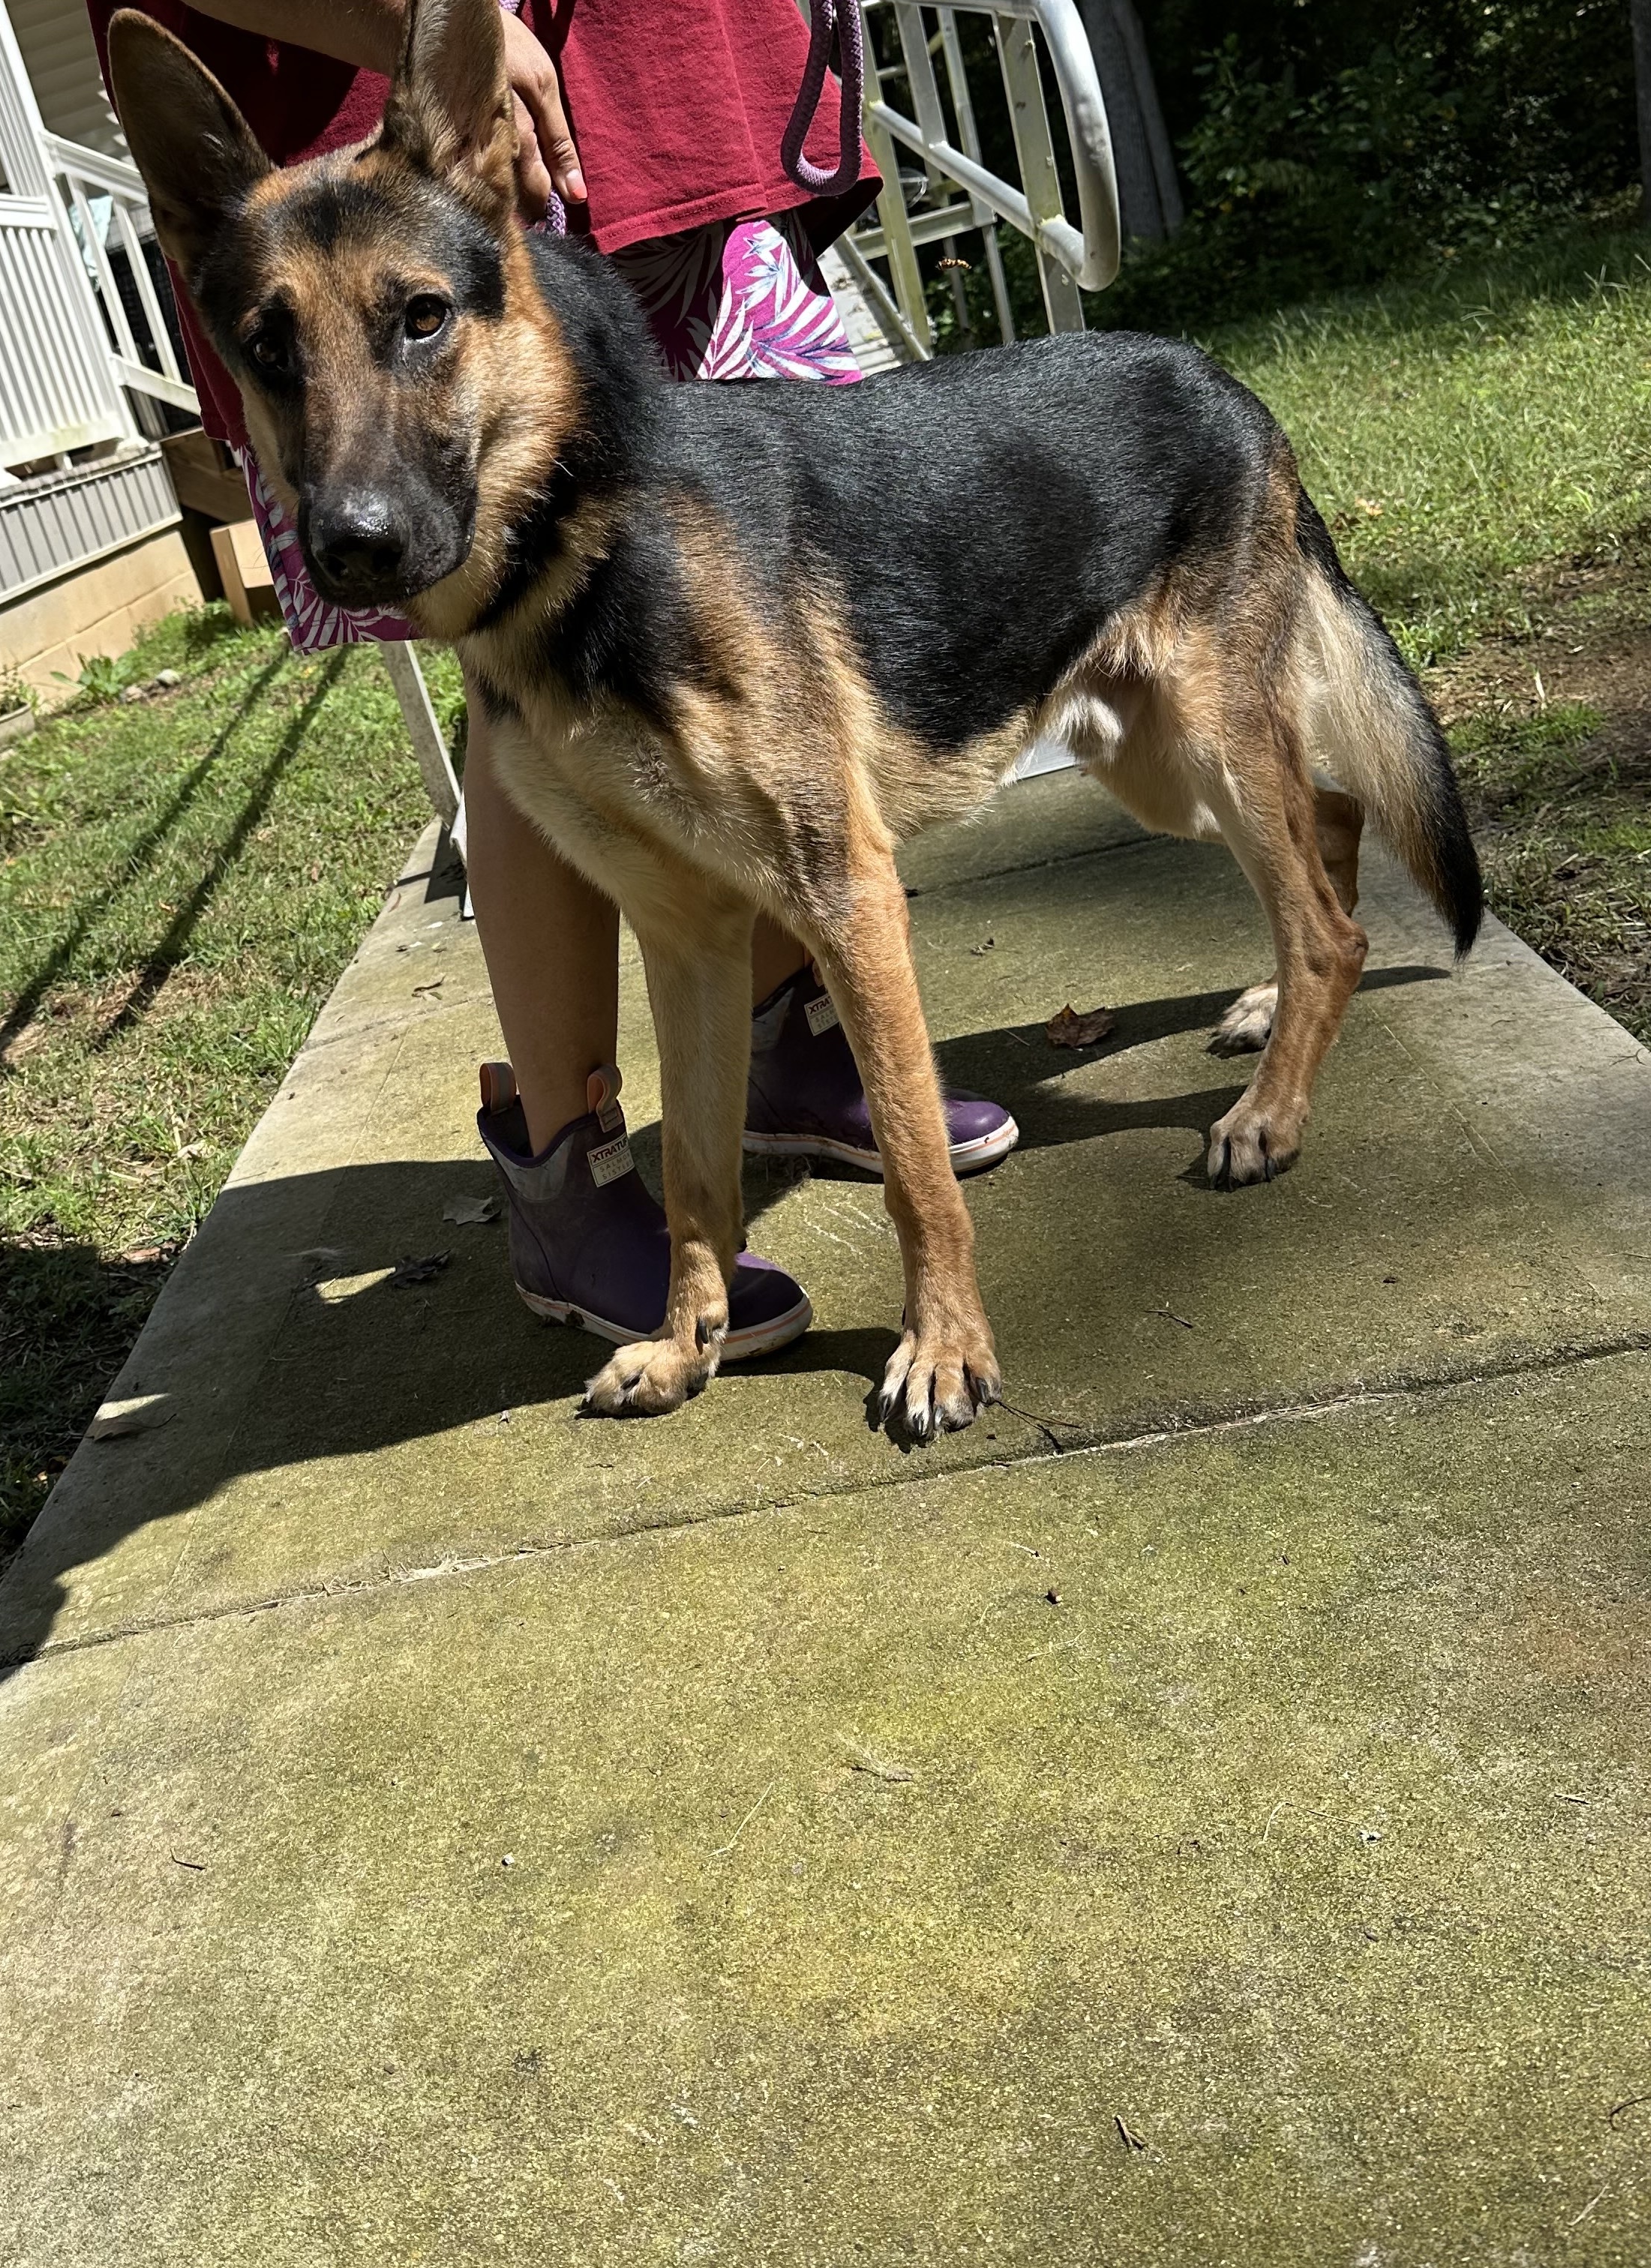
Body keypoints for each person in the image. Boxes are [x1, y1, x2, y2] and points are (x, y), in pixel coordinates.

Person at [92, 0, 1019, 1360]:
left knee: (751, 684)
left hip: (663, 120)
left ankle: (788, 1042)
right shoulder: (334, 245)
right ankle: (568, 1167)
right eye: (281, 359)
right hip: (425, 96)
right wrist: (413, 28)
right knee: (522, 674)